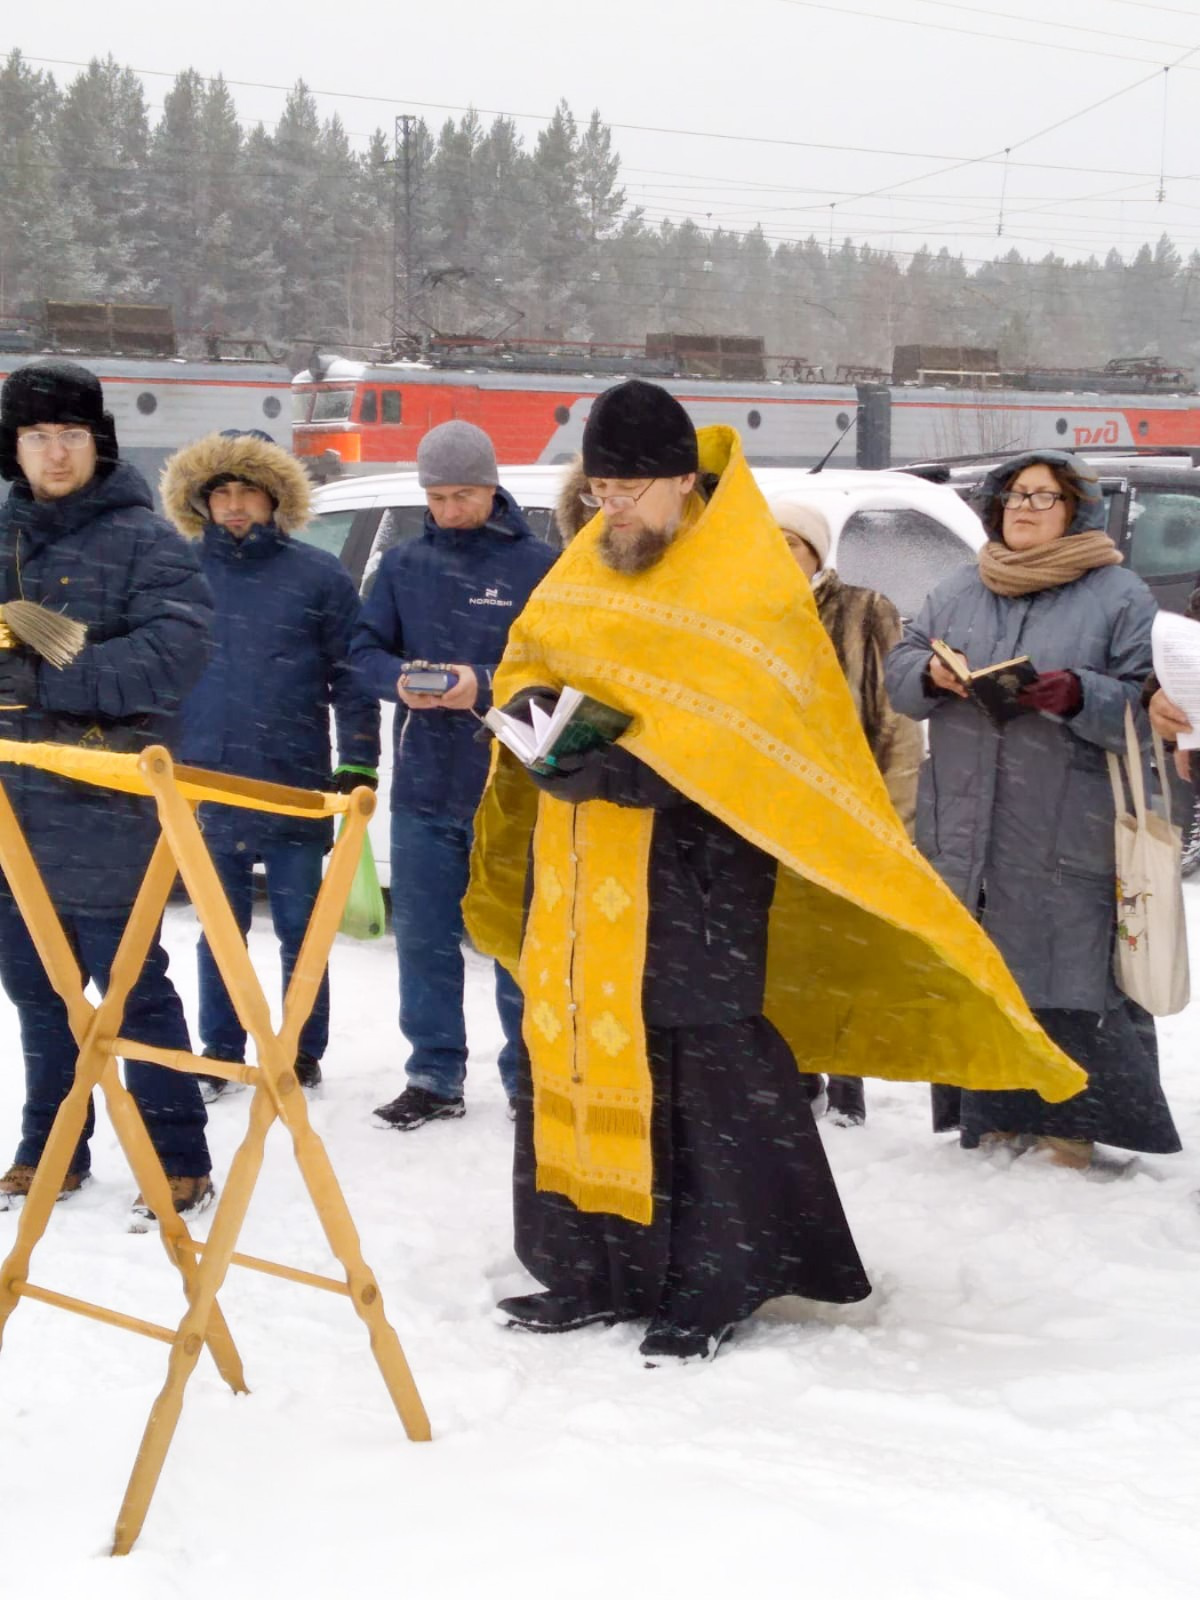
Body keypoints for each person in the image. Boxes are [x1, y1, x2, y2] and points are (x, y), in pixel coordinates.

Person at [464, 380, 1086, 1365]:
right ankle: (592, 1272)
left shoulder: (742, 579)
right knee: (579, 1055)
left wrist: (635, 765)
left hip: (702, 877)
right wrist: (541, 722)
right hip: (580, 868)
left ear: (681, 480)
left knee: (702, 1080)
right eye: (600, 490)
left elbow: (761, 733)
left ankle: (713, 1282)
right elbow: (526, 661)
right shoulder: (586, 561)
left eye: (629, 490)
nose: (610, 508)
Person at [886, 449, 1180, 1169]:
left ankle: (1072, 1124)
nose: (1023, 507)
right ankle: (988, 1114)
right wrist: (928, 673)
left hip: (1064, 825)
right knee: (982, 977)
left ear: (1075, 509)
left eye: (1043, 497)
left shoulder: (1118, 594)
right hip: (965, 822)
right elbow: (901, 669)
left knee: (1068, 977)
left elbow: (1154, 705)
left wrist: (1084, 695)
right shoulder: (961, 586)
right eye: (1014, 495)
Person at [0, 361, 216, 1222]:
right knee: (33, 985)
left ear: (98, 443)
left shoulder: (146, 539)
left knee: (130, 985)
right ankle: (51, 1145)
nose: (56, 454)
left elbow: (176, 654)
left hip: (107, 802)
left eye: (71, 437)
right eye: (38, 438)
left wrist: (45, 680)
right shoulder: (3, 533)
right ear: (15, 449)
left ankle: (177, 1153)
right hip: (13, 806)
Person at [350, 421, 558, 1130]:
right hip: (425, 784)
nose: (448, 509)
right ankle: (434, 1074)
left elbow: (566, 676)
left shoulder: (541, 567)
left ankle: (529, 1074)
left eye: (462, 494)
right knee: (424, 937)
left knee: (512, 938)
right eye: (436, 496)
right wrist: (398, 682)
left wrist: (486, 684)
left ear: (492, 486)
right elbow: (361, 651)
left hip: (512, 786)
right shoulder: (404, 566)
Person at [161, 429, 380, 1099]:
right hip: (205, 777)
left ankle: (300, 1050)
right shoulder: (180, 572)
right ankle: (221, 1048)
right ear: (202, 500)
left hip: (294, 779)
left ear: (273, 497)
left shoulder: (317, 575)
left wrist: (361, 759)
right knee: (218, 931)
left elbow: (351, 674)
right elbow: (158, 671)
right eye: (221, 492)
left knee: (300, 929)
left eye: (247, 492)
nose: (233, 506)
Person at [771, 496, 921, 1126]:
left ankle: (849, 1077)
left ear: (816, 554)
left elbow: (896, 718)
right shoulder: (744, 614)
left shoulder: (864, 610)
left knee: (842, 946)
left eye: (793, 545)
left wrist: (893, 812)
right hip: (770, 811)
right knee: (783, 950)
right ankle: (795, 1070)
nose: (780, 556)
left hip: (846, 808)